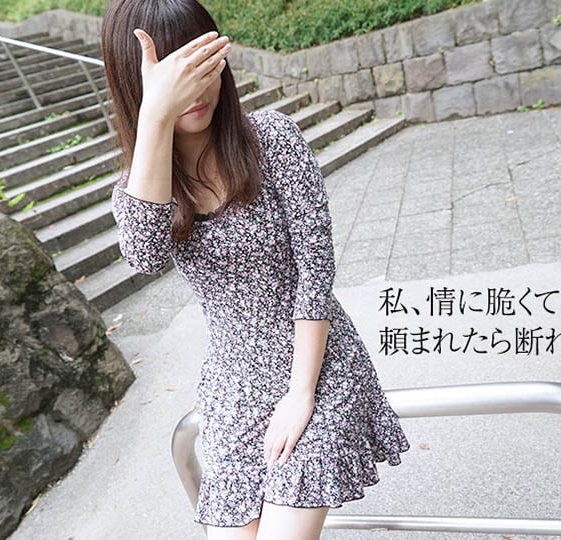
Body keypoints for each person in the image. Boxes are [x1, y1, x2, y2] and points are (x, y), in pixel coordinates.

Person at [100, 1, 411, 538]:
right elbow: (144, 257)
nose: (195, 91)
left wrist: (301, 394)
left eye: (202, 65)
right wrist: (156, 116)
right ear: (139, 85)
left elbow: (315, 275)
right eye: (174, 77)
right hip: (234, 384)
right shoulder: (141, 184)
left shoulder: (272, 139)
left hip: (319, 365)